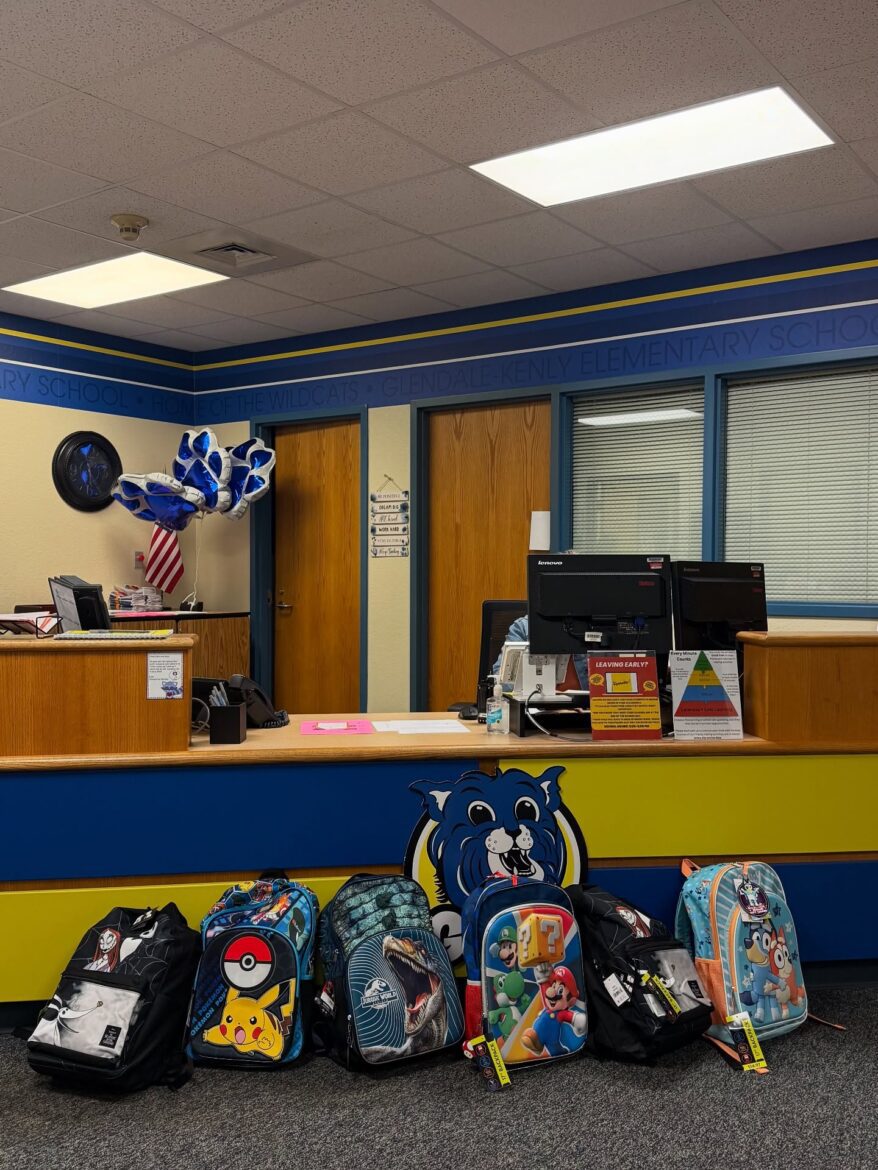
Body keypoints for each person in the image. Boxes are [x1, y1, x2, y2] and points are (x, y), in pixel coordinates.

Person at [493, 614, 588, 690]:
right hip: (534, 709)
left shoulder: (595, 629)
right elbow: (501, 684)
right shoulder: (523, 627)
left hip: (587, 710)